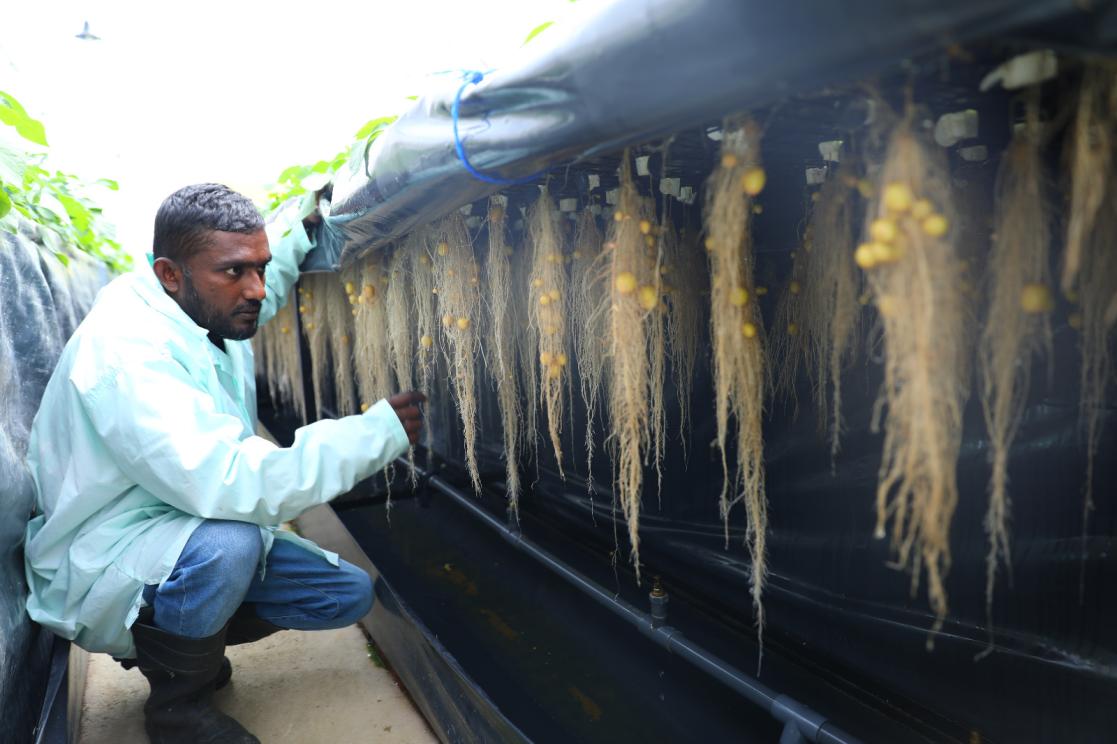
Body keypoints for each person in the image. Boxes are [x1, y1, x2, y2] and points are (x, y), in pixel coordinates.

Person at [23, 183, 424, 744]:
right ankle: (177, 705)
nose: (255, 289)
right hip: (107, 547)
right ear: (170, 273)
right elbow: (233, 481)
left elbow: (260, 282)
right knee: (231, 543)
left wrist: (297, 235)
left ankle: (191, 645)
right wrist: (371, 435)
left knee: (342, 595)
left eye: (260, 267)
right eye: (235, 272)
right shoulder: (128, 355)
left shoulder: (203, 308)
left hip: (170, 519)